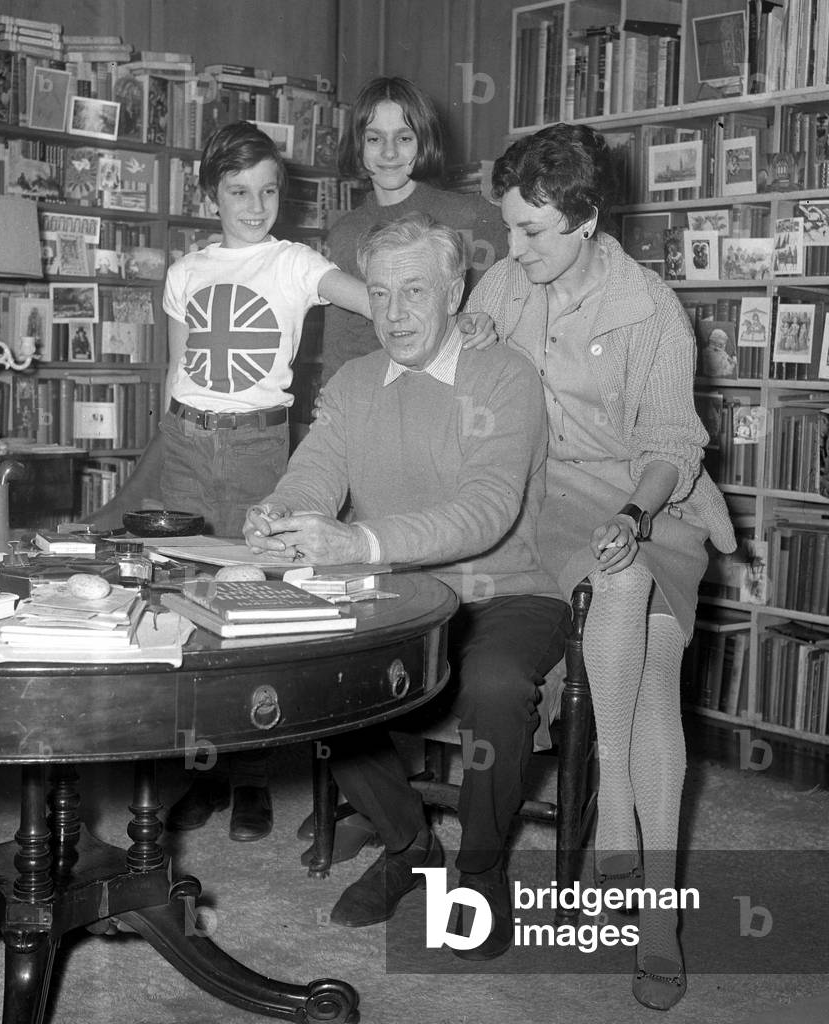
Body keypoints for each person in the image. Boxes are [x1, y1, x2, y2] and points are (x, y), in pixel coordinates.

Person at [244, 213, 569, 961]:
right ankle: (410, 847)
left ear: (455, 291)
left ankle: (481, 871)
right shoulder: (355, 381)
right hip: (395, 591)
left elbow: (485, 511)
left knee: (492, 687)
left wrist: (359, 541)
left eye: (415, 291)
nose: (393, 313)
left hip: (507, 589)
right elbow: (316, 471)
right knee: (317, 673)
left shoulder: (505, 376)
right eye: (381, 293)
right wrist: (281, 514)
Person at [156, 123, 493, 843]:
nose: (255, 205)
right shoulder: (184, 272)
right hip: (184, 443)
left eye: (269, 190)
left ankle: (249, 776)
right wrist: (164, 443)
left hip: (255, 448)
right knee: (180, 603)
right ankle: (193, 770)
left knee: (247, 610)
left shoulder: (294, 262)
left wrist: (466, 316)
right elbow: (177, 371)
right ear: (209, 192)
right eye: (239, 191)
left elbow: (385, 300)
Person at [467, 123, 736, 1009]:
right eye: (508, 227)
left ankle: (639, 882)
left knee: (642, 627)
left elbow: (668, 442)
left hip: (649, 499)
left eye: (532, 231)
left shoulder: (650, 308)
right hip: (547, 500)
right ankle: (641, 883)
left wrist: (632, 511)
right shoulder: (507, 284)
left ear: (584, 219)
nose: (513, 248)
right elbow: (462, 374)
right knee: (628, 610)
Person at [319, 76, 508, 384]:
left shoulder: (473, 216)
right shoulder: (344, 233)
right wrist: (328, 400)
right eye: (374, 139)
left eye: (404, 138)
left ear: (424, 142)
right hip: (370, 403)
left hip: (454, 396)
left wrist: (489, 323)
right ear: (358, 145)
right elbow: (340, 343)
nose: (389, 153)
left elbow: (512, 306)